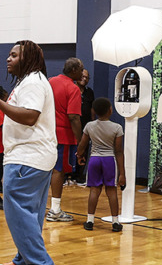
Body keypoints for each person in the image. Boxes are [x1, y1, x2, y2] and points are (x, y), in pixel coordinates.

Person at [0, 40, 62, 265]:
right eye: (9, 54)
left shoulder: (33, 83)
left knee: (17, 210)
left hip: (27, 156)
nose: (8, 59)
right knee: (31, 213)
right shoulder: (30, 82)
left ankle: (41, 264)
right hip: (34, 156)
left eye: (14, 55)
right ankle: (24, 260)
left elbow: (30, 117)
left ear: (27, 59)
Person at [77, 98, 126, 232]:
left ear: (94, 111)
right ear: (110, 110)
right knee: (111, 191)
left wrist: (79, 155)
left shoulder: (89, 126)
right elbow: (118, 151)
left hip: (94, 160)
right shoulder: (117, 128)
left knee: (94, 190)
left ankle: (90, 220)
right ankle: (115, 222)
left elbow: (83, 144)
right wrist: (122, 173)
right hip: (109, 160)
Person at [46, 57, 85, 222]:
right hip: (62, 136)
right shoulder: (73, 88)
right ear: (74, 70)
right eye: (81, 69)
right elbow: (74, 117)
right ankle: (54, 210)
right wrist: (82, 141)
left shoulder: (50, 81)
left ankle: (39, 206)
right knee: (58, 171)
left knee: (45, 169)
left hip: (46, 132)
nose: (83, 73)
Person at [73, 68, 95, 186]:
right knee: (71, 150)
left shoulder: (89, 92)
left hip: (86, 126)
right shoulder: (72, 90)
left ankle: (79, 176)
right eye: (83, 77)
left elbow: (92, 109)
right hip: (72, 125)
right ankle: (68, 176)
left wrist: (92, 123)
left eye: (87, 78)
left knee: (84, 150)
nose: (84, 79)